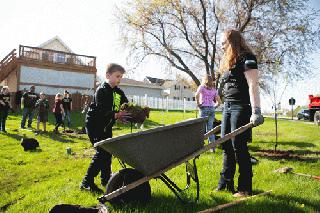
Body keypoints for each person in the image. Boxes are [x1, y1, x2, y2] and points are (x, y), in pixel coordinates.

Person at [215, 29, 264, 197]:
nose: (221, 47)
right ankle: (225, 184)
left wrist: (256, 110)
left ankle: (244, 188)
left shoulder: (247, 57)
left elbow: (253, 85)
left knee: (239, 147)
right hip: (227, 107)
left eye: (224, 43)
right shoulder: (230, 61)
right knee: (226, 145)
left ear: (233, 42)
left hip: (241, 107)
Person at [80, 63, 130, 192]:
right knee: (102, 152)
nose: (119, 79)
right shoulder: (102, 90)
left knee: (108, 153)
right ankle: (86, 182)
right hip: (95, 125)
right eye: (117, 76)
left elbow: (126, 105)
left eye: (121, 77)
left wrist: (126, 116)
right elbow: (102, 110)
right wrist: (116, 115)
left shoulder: (119, 92)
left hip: (106, 127)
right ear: (108, 75)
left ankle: (106, 180)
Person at [195, 75, 222, 151]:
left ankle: (199, 147)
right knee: (210, 129)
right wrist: (214, 108)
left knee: (200, 128)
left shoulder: (202, 87)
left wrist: (198, 104)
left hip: (203, 109)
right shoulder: (214, 90)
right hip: (211, 110)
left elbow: (196, 95)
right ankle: (212, 148)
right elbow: (219, 102)